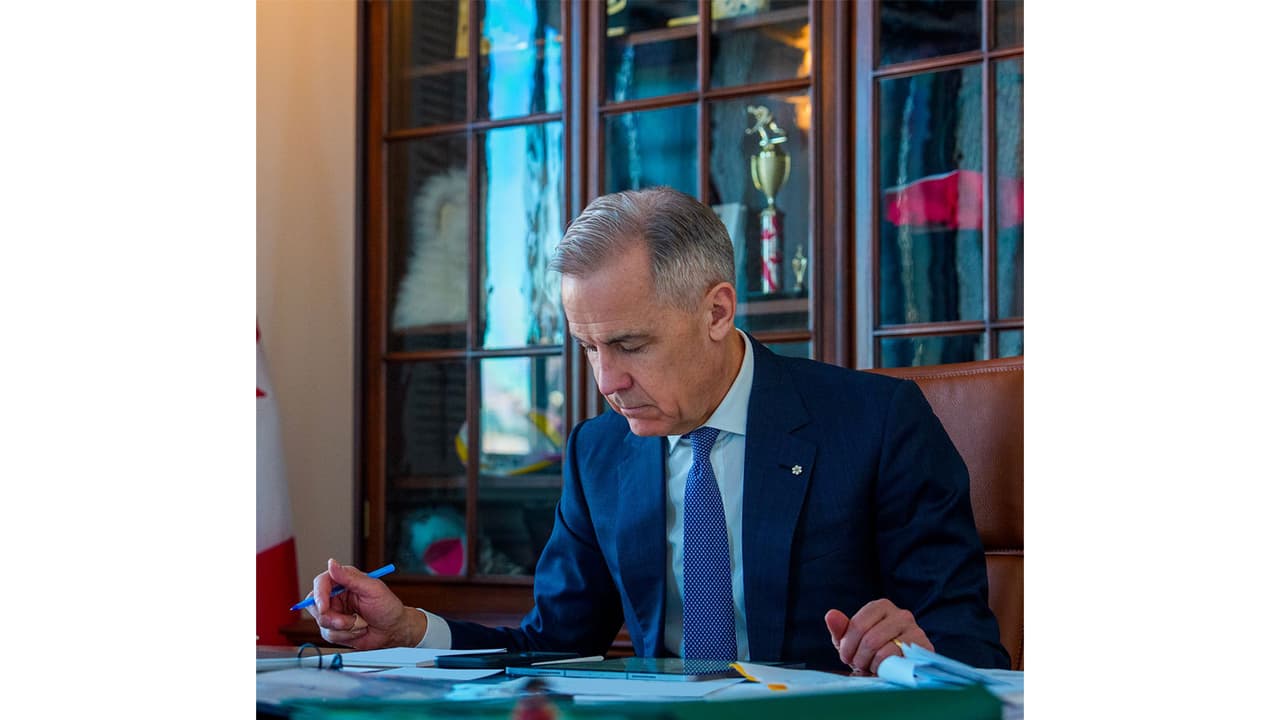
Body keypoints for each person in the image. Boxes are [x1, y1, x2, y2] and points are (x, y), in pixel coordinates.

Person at [306, 187, 1010, 674]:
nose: (606, 381)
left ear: (716, 312)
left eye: (631, 345)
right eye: (588, 347)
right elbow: (553, 645)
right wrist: (409, 630)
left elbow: (972, 653)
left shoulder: (877, 426)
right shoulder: (598, 454)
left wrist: (916, 651)